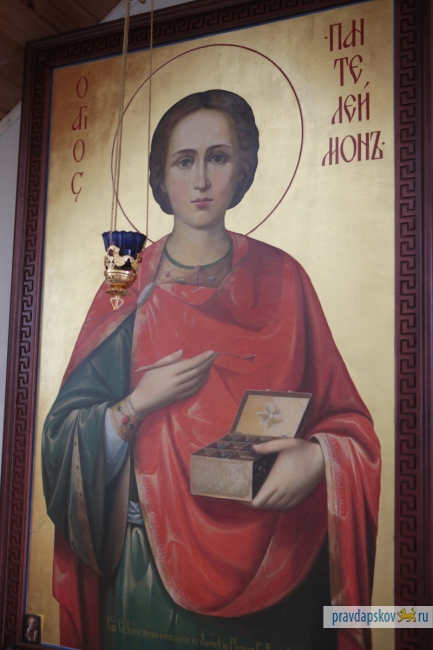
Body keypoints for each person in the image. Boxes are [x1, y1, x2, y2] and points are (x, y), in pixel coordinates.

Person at [42, 90, 380, 650]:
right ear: (161, 177)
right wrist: (136, 405)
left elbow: (349, 425)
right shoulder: (126, 287)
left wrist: (319, 459)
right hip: (149, 571)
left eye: (217, 158)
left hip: (281, 560)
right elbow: (60, 439)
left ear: (242, 168)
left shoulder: (285, 278)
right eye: (184, 161)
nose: (201, 180)